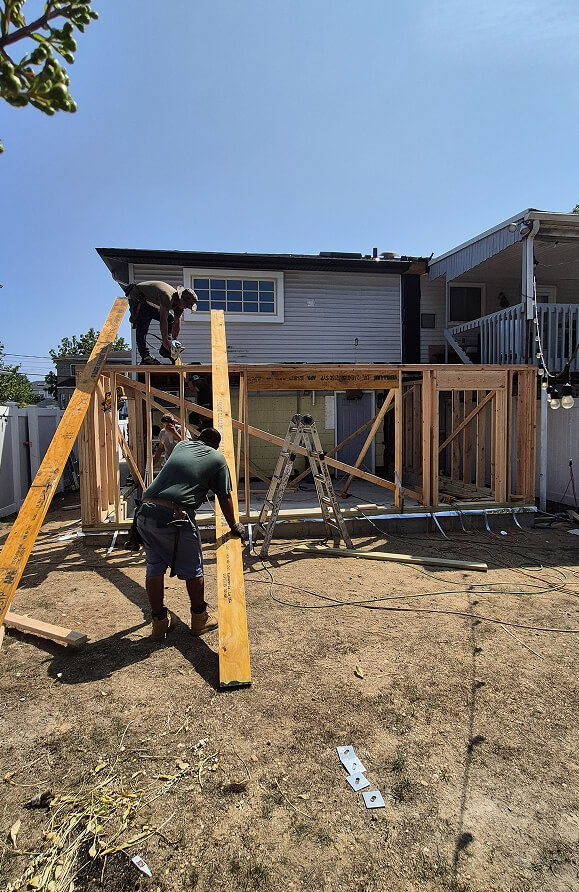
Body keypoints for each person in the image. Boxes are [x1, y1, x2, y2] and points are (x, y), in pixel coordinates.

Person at [135, 427, 246, 639]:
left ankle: (159, 622)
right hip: (174, 518)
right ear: (215, 445)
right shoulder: (217, 458)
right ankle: (199, 619)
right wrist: (233, 524)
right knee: (193, 569)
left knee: (154, 567)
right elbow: (224, 496)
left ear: (198, 439)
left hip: (145, 513)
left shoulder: (182, 446)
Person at [122, 281, 198, 365]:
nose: (184, 308)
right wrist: (165, 341)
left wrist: (174, 342)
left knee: (170, 318)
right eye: (185, 305)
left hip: (149, 302)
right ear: (180, 299)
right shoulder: (167, 297)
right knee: (143, 324)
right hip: (137, 296)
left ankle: (165, 349)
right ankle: (145, 357)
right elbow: (163, 321)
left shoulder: (179, 306)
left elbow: (176, 322)